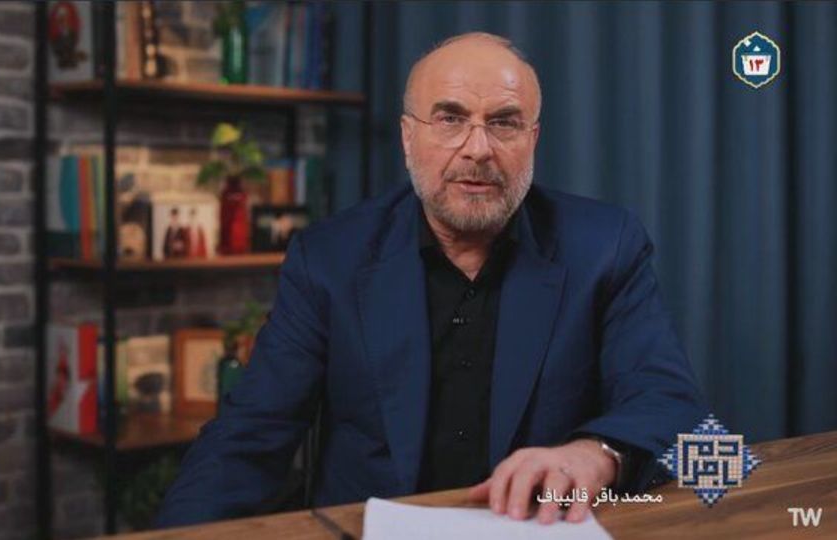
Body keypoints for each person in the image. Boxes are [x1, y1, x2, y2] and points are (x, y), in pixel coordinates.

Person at [157, 32, 706, 527]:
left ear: (533, 139)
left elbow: (675, 405)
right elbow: (248, 436)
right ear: (407, 138)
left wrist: (597, 453)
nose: (478, 148)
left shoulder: (605, 246)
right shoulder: (329, 259)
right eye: (449, 119)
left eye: (504, 122)